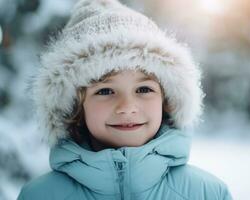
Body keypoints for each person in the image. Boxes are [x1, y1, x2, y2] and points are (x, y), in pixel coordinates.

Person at [17, 0, 233, 199]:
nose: (127, 107)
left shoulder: (207, 193)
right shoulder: (39, 196)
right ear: (75, 107)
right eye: (105, 91)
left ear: (167, 100)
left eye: (144, 89)